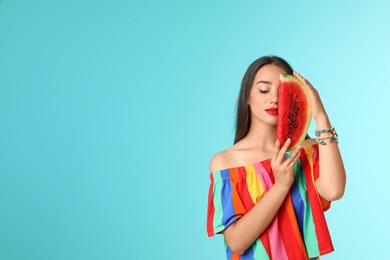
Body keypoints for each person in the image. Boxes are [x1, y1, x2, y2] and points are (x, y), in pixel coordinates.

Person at [206, 56, 346, 260]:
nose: (274, 99)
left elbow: (334, 191)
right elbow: (237, 242)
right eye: (263, 90)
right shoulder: (226, 162)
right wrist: (280, 186)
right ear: (246, 96)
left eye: (283, 92)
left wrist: (321, 116)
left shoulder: (308, 151)